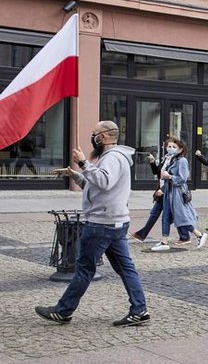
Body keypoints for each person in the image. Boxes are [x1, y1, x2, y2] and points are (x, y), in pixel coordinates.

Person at [35, 120, 149, 327]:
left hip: (102, 225)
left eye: (94, 134)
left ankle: (63, 311)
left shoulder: (112, 158)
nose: (92, 137)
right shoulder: (112, 157)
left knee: (85, 269)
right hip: (115, 222)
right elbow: (95, 185)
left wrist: (83, 163)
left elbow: (103, 181)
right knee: (126, 268)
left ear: (103, 136)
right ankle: (139, 310)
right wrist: (75, 175)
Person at [150, 137, 208, 251]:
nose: (171, 149)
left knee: (180, 216)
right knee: (166, 216)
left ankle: (199, 234)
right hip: (168, 191)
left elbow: (183, 178)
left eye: (175, 147)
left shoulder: (182, 161)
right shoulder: (173, 159)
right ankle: (164, 241)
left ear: (181, 149)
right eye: (170, 147)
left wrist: (169, 176)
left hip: (177, 193)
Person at [130, 150, 165, 242]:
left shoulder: (176, 161)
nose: (170, 148)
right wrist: (152, 162)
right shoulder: (166, 159)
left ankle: (190, 234)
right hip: (161, 192)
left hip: (169, 192)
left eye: (173, 146)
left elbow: (176, 179)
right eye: (169, 146)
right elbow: (157, 173)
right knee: (154, 214)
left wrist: (163, 189)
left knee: (176, 216)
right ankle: (141, 235)